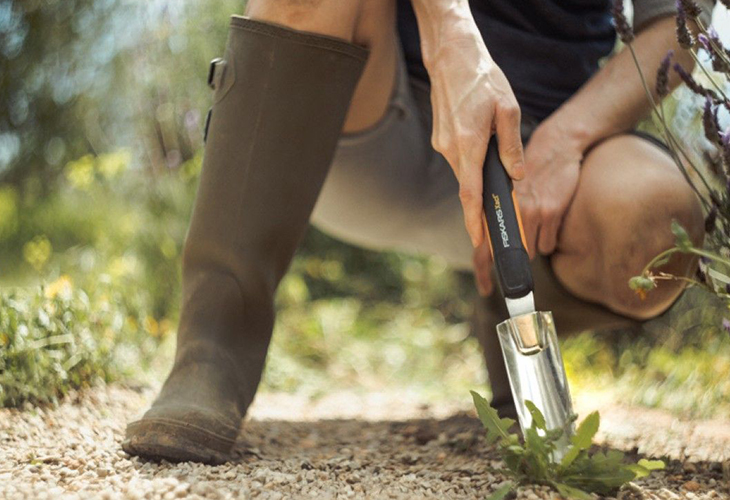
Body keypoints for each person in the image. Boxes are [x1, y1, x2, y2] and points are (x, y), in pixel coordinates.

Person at [123, 0, 709, 464]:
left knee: (659, 218)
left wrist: (565, 141)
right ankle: (213, 348)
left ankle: (512, 308)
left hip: (544, 171)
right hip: (370, 121)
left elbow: (680, 24)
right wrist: (451, 32)